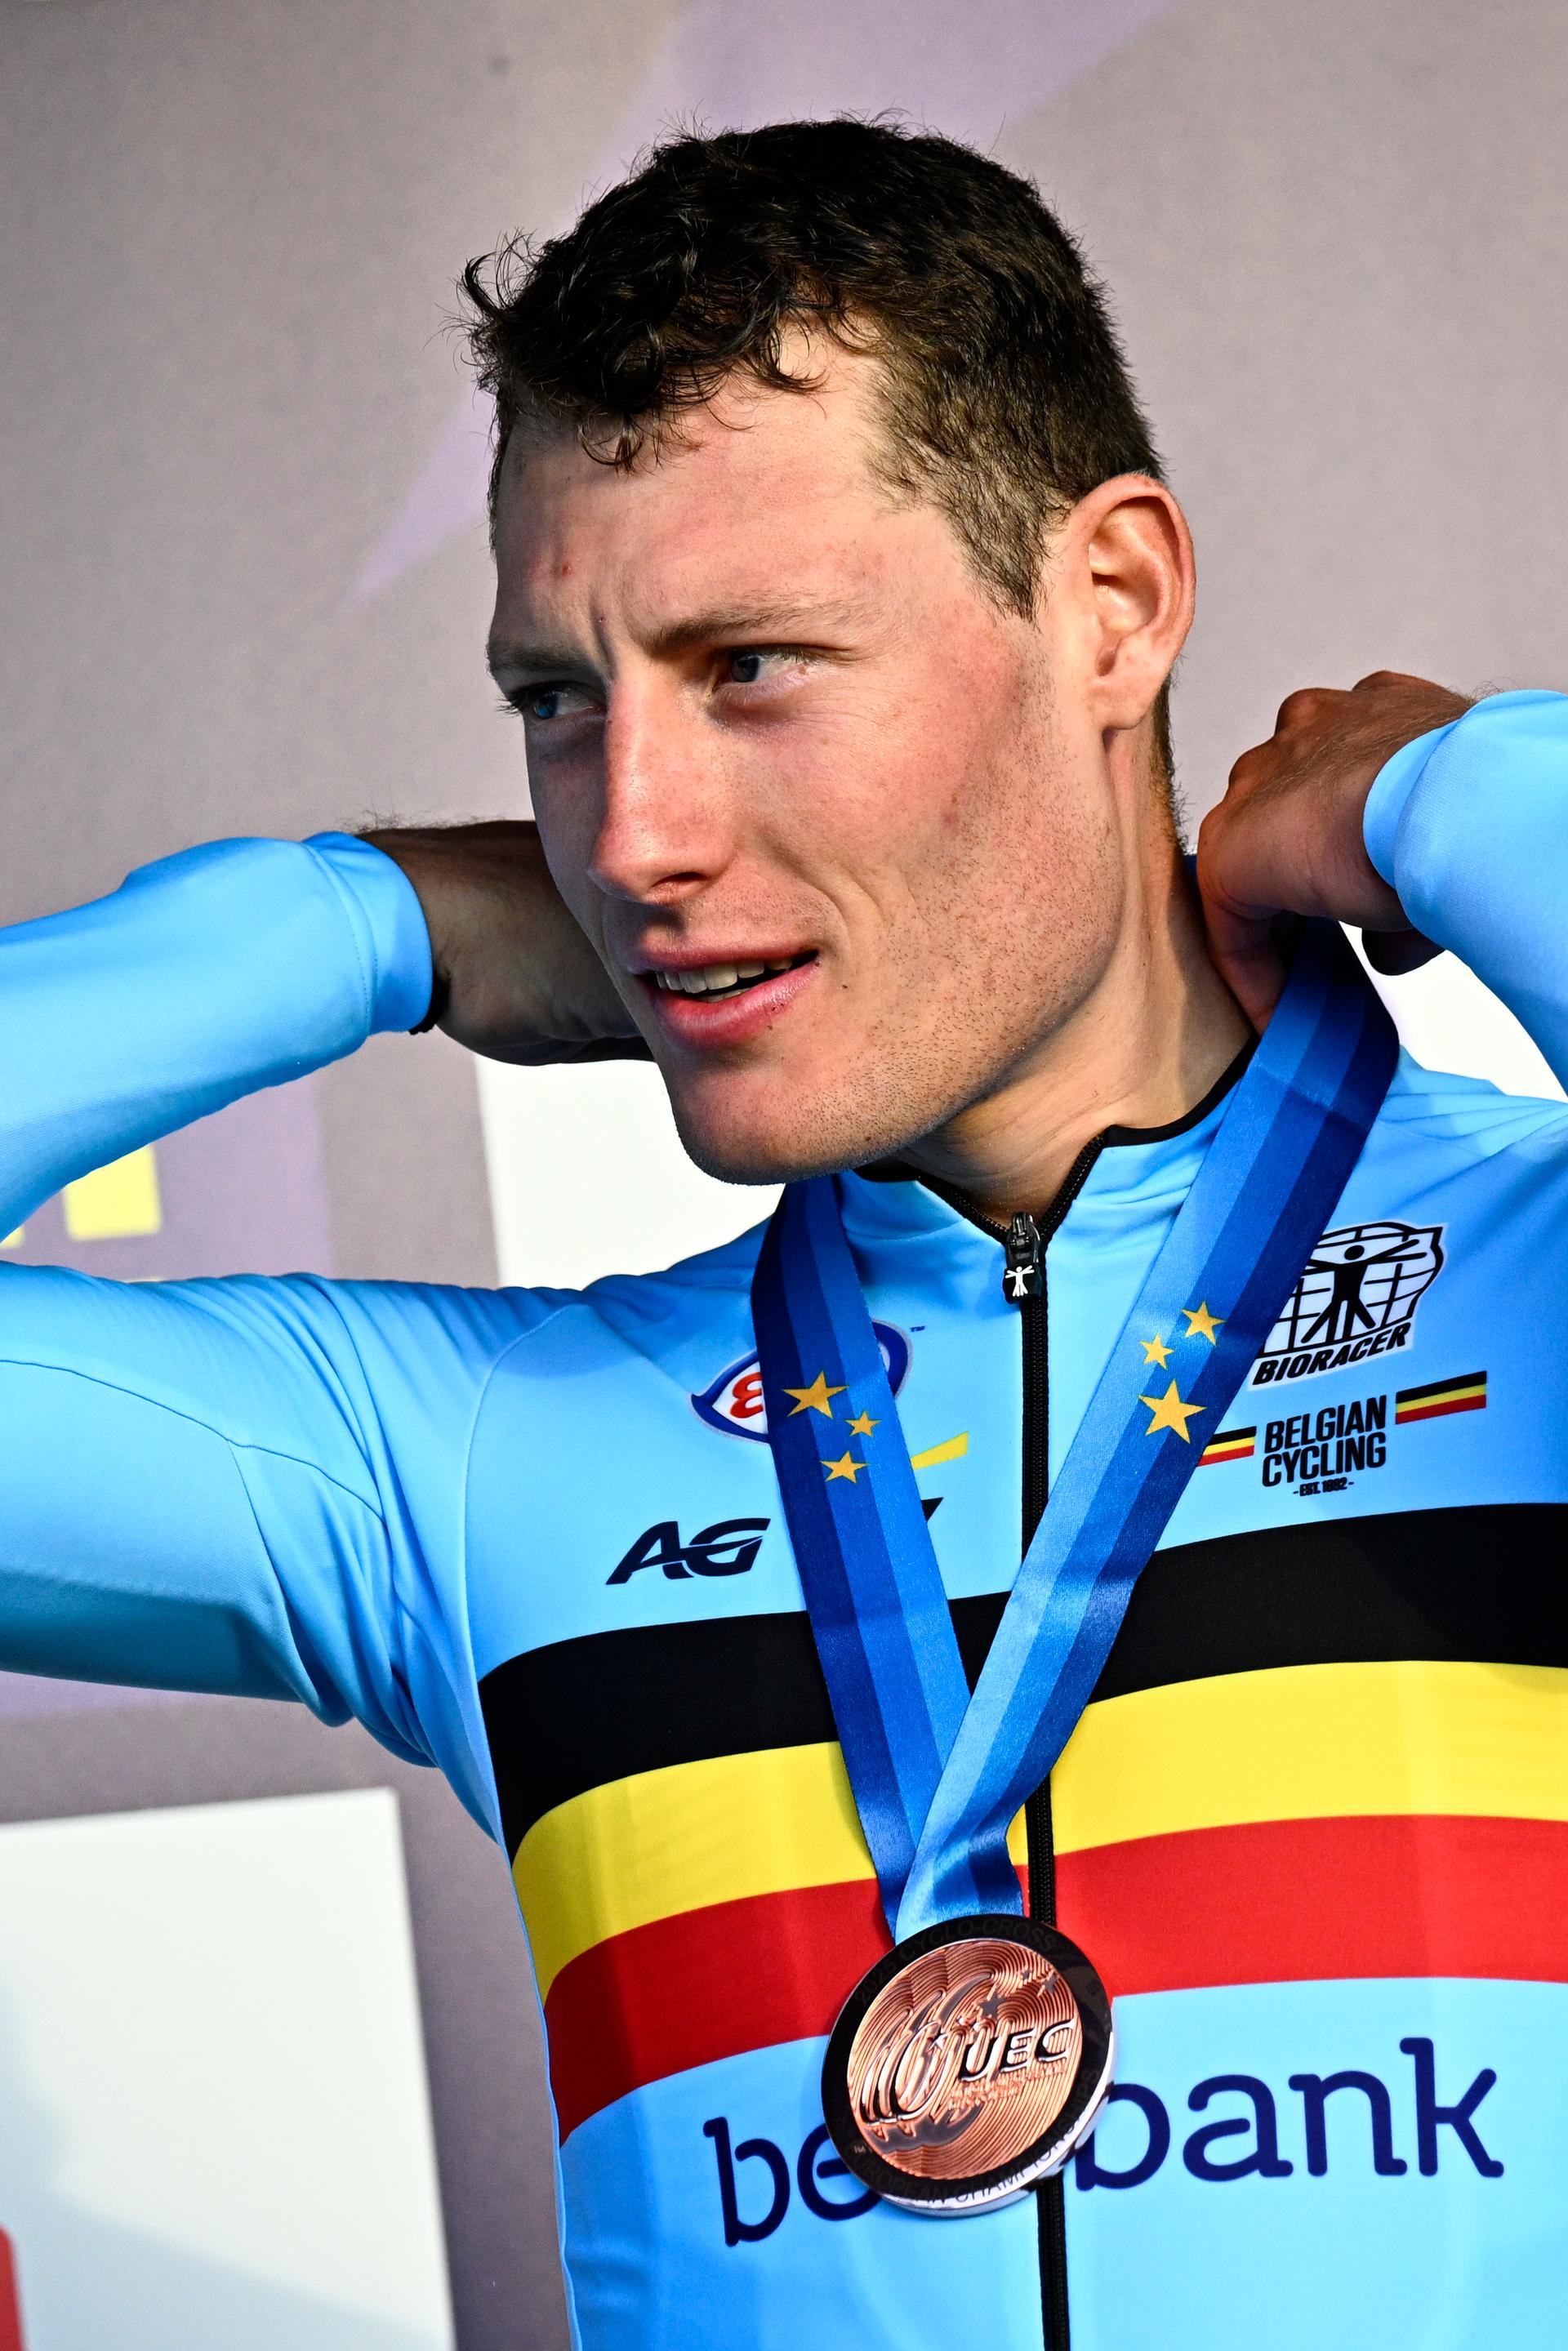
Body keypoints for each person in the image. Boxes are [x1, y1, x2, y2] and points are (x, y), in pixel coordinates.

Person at [2, 116, 1565, 2351]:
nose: (633, 836)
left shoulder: (1540, 1288)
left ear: (1111, 607)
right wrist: (355, 920)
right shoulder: (488, 1456)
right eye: (560, 703)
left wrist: (1471, 792)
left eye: (750, 664)